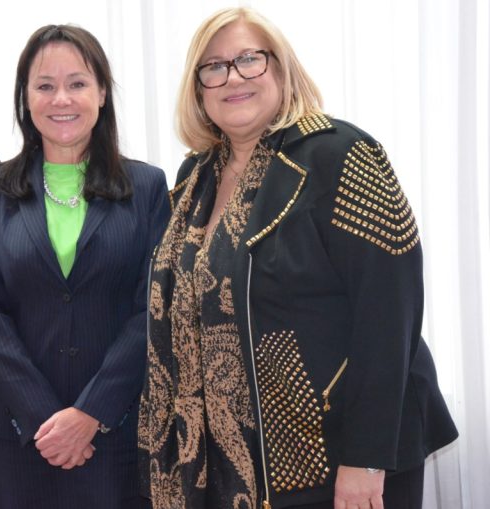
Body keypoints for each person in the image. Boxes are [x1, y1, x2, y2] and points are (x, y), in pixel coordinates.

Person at [138, 7, 458, 509]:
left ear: (282, 69)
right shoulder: (193, 178)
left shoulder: (340, 153)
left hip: (337, 455)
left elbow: (389, 314)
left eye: (250, 59)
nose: (233, 77)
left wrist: (366, 458)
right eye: (214, 67)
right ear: (198, 89)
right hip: (231, 465)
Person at [0, 24, 170, 509]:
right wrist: (44, 418)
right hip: (20, 434)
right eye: (45, 85)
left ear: (102, 93)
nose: (61, 99)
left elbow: (153, 309)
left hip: (117, 429)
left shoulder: (147, 187)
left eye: (77, 83)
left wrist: (90, 413)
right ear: (26, 98)